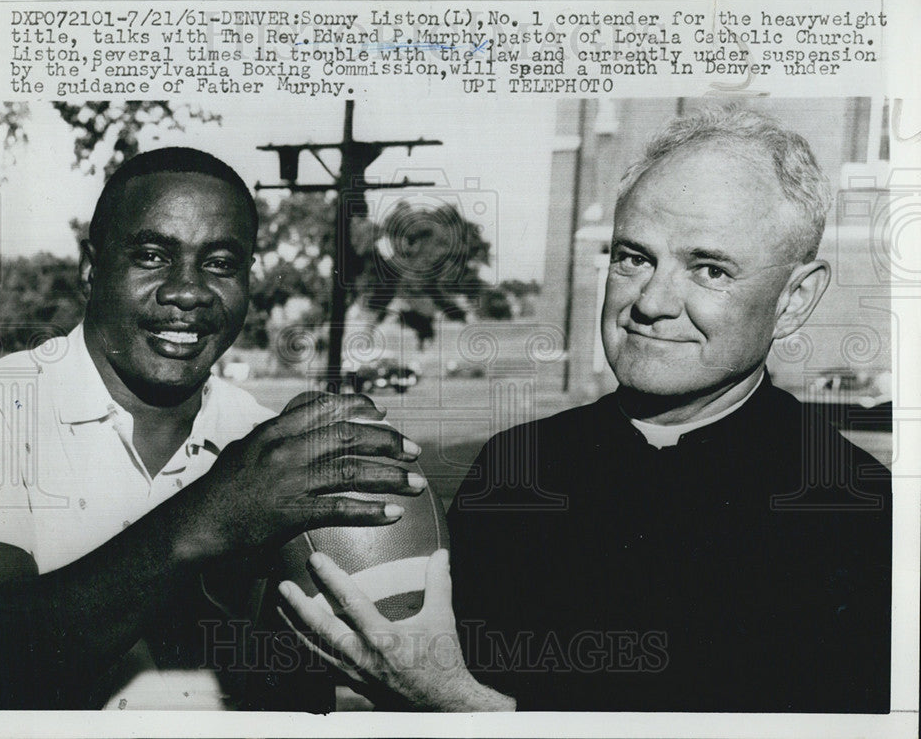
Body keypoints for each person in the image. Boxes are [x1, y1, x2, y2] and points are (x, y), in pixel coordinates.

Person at [280, 108, 892, 712]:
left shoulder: (854, 511)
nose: (651, 302)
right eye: (634, 257)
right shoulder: (518, 464)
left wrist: (457, 705)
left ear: (794, 300)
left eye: (709, 269)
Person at [0, 147, 427, 710]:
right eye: (152, 256)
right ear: (90, 267)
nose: (188, 291)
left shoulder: (260, 438)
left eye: (221, 263)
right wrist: (214, 514)